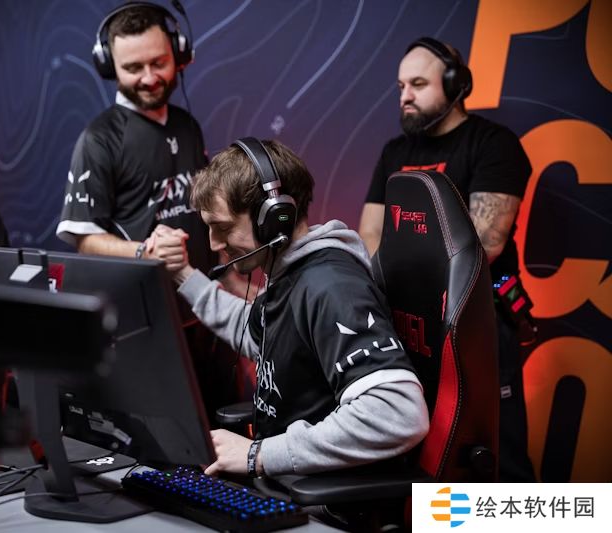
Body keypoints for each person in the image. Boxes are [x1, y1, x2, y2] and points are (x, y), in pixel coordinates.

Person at [167, 138, 428, 477]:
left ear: (275, 219)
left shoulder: (331, 287)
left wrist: (259, 454)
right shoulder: (290, 274)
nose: (214, 244)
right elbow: (256, 334)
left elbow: (399, 413)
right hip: (288, 480)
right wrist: (184, 275)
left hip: (321, 497)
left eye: (224, 228)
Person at [358, 37, 535, 481]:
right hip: (407, 325)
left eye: (418, 84)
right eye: (401, 87)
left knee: (495, 455)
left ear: (456, 85)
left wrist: (403, 274)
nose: (405, 96)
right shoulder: (395, 152)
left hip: (476, 324)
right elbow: (370, 234)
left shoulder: (493, 144)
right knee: (420, 456)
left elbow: (483, 245)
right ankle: (438, 516)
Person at [55, 3, 234, 417]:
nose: (150, 77)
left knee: (223, 431)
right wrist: (144, 252)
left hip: (206, 315)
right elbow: (84, 240)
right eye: (133, 68)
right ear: (109, 67)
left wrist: (233, 273)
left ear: (179, 55)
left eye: (159, 63)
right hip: (144, 328)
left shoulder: (187, 126)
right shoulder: (99, 140)